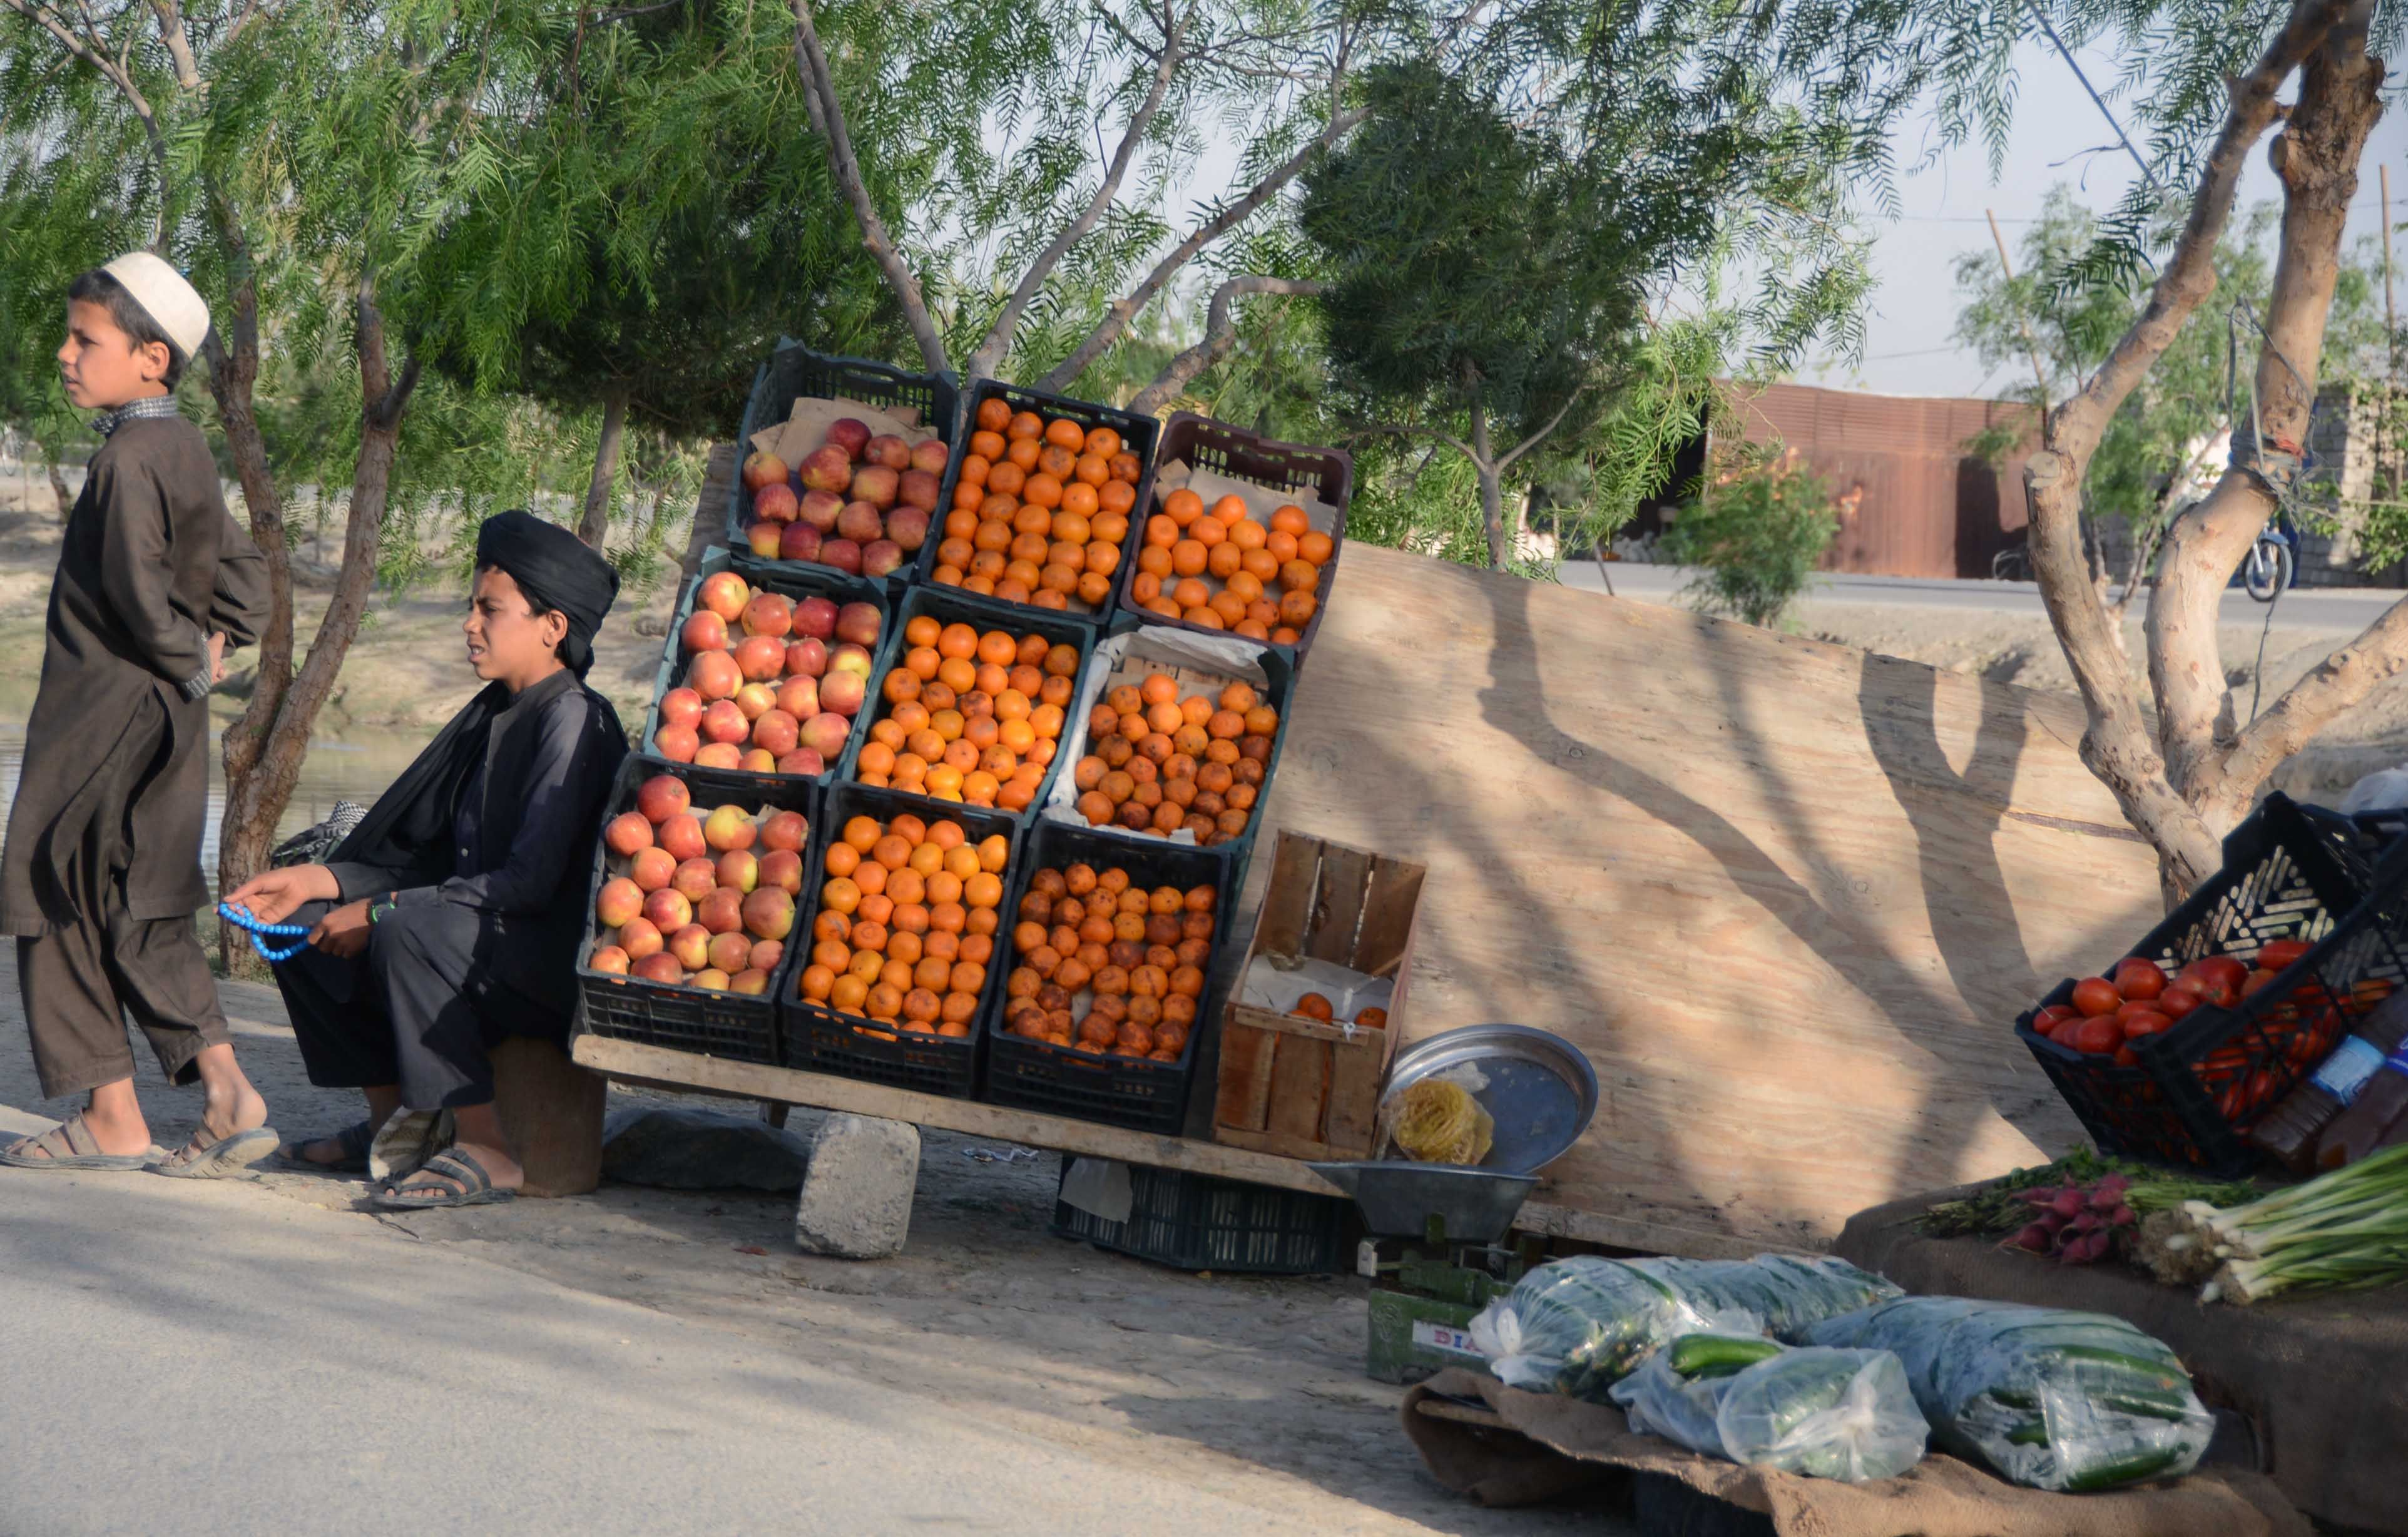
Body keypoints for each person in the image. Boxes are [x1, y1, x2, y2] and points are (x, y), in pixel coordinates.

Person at [224, 510, 626, 1208]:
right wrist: (316, 880)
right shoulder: (492, 716)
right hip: (473, 934)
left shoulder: (574, 720)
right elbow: (426, 858)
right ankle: (391, 1126)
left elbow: (528, 884)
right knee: (303, 927)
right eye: (472, 607)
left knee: (406, 924)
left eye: (489, 610)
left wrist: (384, 908)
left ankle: (489, 1148)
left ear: (552, 627)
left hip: (540, 960)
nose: (470, 624)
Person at [0, 253, 275, 1177]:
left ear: (153, 358)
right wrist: (219, 646)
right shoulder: (185, 448)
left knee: (47, 890)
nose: (67, 355)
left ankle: (114, 1113)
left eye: (88, 340)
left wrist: (185, 667)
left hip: (102, 720)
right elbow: (241, 571)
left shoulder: (125, 459)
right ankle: (229, 1095)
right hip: (161, 725)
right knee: (141, 902)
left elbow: (133, 589)